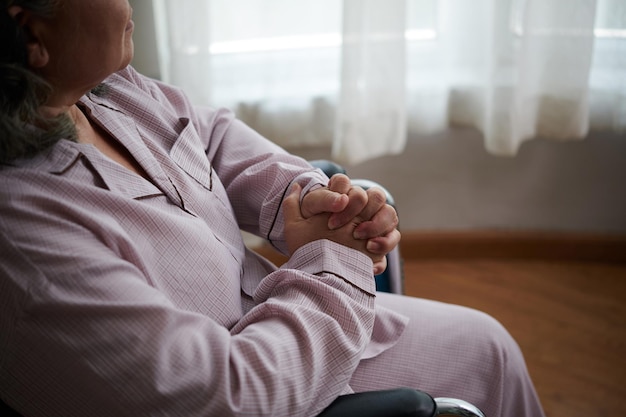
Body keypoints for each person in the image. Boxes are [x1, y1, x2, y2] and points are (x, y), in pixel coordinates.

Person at [0, 0, 546, 416]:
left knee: (487, 342)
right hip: (275, 372)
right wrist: (331, 262)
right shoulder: (24, 238)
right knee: (487, 353)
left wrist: (309, 198)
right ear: (31, 33)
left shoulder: (103, 90)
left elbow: (207, 138)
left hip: (287, 318)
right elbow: (230, 393)